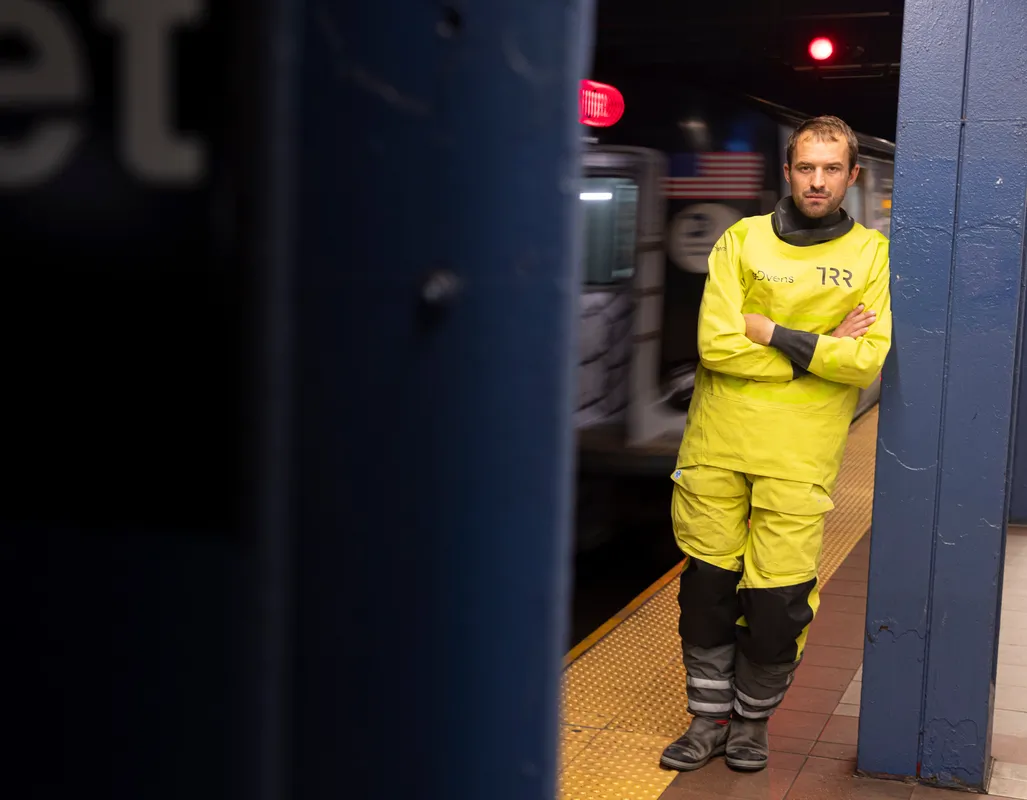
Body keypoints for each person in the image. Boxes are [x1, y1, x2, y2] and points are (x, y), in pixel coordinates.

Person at [659, 115, 892, 774]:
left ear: (850, 176)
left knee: (775, 605)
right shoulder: (741, 240)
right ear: (787, 172)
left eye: (829, 169)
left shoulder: (869, 255)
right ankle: (706, 721)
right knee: (705, 592)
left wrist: (774, 333)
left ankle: (751, 724)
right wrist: (818, 346)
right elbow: (716, 344)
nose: (815, 180)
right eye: (804, 167)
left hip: (799, 459)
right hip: (716, 450)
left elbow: (863, 361)